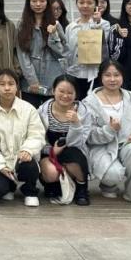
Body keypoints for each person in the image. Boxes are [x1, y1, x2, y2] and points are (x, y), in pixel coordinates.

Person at [84, 60, 131, 206]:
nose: (112, 79)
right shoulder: (89, 102)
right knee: (113, 174)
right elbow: (88, 135)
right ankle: (108, 185)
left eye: (116, 75)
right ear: (101, 77)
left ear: (122, 77)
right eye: (107, 75)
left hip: (127, 143)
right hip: (102, 148)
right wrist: (109, 129)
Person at [0, 69, 45, 206]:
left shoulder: (29, 109)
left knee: (30, 166)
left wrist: (27, 150)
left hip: (22, 160)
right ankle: (9, 186)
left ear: (17, 87)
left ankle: (30, 191)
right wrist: (0, 165)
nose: (7, 88)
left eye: (11, 84)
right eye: (2, 84)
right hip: (1, 161)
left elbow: (37, 135)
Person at [36, 75, 92, 205]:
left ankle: (82, 188)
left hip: (73, 149)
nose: (65, 96)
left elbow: (80, 142)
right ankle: (54, 185)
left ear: (76, 94)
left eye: (70, 93)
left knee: (75, 158)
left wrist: (76, 123)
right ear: (53, 91)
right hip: (50, 150)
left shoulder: (83, 112)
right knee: (51, 173)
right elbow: (37, 137)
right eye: (61, 91)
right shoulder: (42, 111)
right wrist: (51, 150)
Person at [16, 0, 67, 108]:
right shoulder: (22, 24)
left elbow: (62, 52)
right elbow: (22, 55)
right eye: (34, 1)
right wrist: (32, 80)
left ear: (47, 2)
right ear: (29, 2)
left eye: (42, 1)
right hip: (30, 82)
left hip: (52, 78)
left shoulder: (55, 24)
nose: (38, 4)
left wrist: (53, 35)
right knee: (31, 113)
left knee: (51, 112)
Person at [63, 0, 110, 100]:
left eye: (89, 3)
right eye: (81, 2)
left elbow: (102, 43)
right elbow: (67, 50)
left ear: (95, 5)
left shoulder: (103, 24)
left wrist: (96, 23)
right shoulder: (70, 27)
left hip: (94, 74)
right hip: (74, 74)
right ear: (77, 4)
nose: (85, 6)